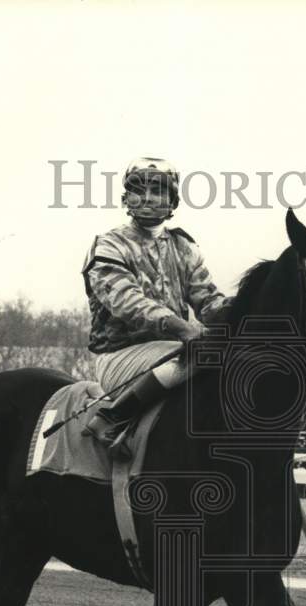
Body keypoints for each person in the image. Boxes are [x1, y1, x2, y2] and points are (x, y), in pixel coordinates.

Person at [81, 157, 231, 456]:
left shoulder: (184, 248)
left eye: (158, 191)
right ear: (126, 199)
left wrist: (245, 308)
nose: (147, 197)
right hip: (119, 354)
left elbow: (208, 300)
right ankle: (110, 418)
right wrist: (183, 329)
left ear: (172, 201)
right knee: (203, 356)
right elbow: (129, 303)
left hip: (173, 353)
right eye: (138, 190)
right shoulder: (108, 245)